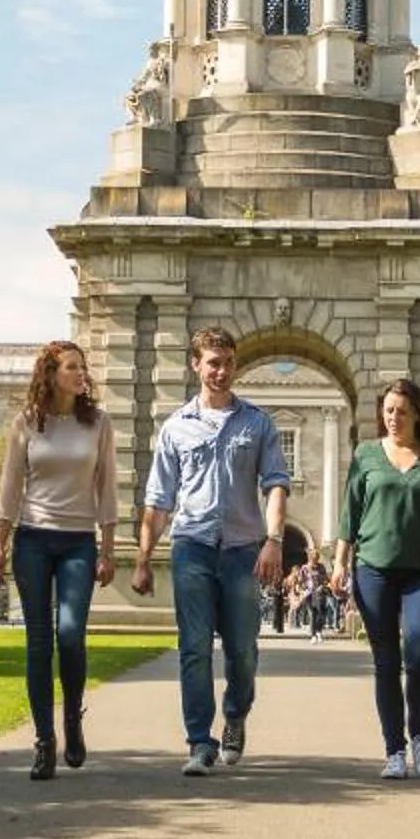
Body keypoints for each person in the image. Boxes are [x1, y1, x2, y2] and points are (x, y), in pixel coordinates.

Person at [132, 325, 290, 776]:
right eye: (213, 363)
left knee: (243, 650)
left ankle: (236, 714)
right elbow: (158, 500)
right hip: (192, 547)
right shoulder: (176, 428)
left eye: (227, 363)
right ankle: (200, 741)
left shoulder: (257, 423)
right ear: (196, 365)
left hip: (242, 549)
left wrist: (274, 541)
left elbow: (276, 484)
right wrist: (143, 559)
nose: (221, 371)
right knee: (194, 648)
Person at [0, 341, 118, 781]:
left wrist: (107, 547)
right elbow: (10, 487)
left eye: (83, 367)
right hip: (33, 539)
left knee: (70, 633)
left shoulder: (98, 424)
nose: (81, 374)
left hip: (78, 539)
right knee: (39, 642)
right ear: (51, 373)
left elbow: (107, 487)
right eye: (72, 367)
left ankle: (72, 720)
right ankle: (44, 742)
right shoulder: (27, 422)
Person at [335, 378, 420, 780]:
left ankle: (419, 736)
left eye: (402, 411)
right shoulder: (366, 455)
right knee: (386, 662)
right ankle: (394, 749)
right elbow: (349, 514)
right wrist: (339, 563)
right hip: (373, 569)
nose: (394, 418)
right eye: (388, 411)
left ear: (417, 415)